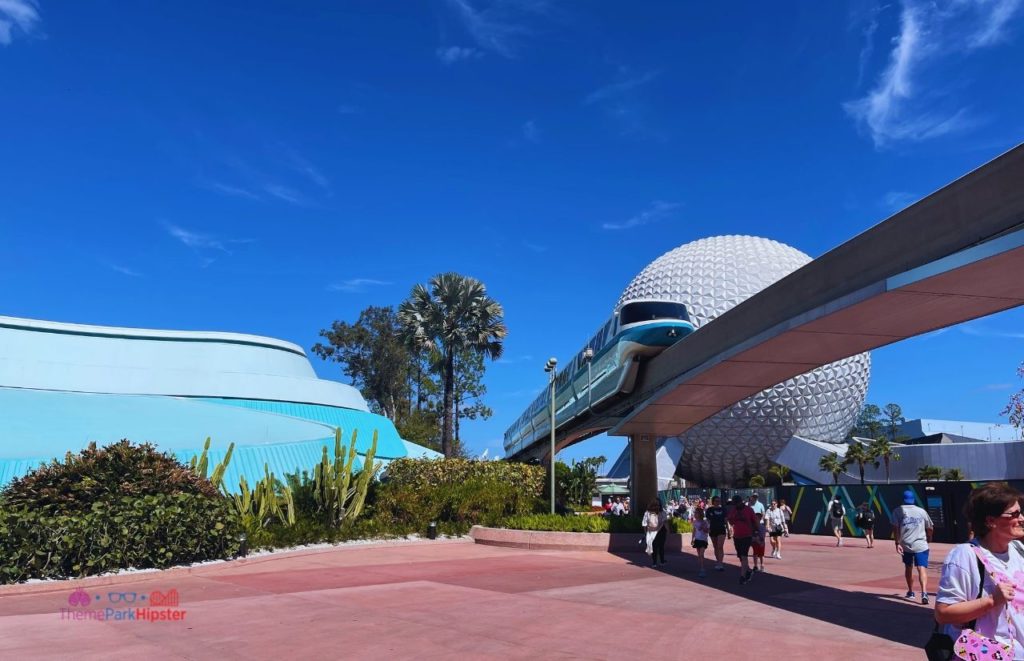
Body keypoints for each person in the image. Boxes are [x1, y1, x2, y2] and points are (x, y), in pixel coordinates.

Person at [935, 482, 1024, 657]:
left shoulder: (1018, 550)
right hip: (987, 653)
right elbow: (943, 613)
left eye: (1020, 511)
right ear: (991, 521)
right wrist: (991, 600)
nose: (1022, 518)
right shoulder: (964, 556)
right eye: (1014, 514)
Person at [891, 489, 934, 604]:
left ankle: (910, 591)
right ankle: (924, 593)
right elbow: (930, 527)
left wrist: (897, 542)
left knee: (908, 567)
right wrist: (929, 537)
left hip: (906, 545)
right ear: (913, 499)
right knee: (922, 568)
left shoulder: (897, 511)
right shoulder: (921, 511)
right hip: (921, 544)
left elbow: (895, 528)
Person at [727, 494, 757, 584]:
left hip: (747, 536)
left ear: (740, 502)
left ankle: (742, 576)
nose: (735, 505)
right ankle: (748, 570)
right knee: (741, 556)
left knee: (744, 556)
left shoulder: (749, 510)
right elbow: (730, 520)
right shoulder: (733, 510)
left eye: (736, 503)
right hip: (737, 536)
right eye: (734, 504)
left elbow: (756, 522)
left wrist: (758, 533)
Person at [642, 499, 670, 567]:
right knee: (661, 546)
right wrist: (668, 530)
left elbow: (644, 524)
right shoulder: (662, 512)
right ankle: (662, 561)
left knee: (654, 547)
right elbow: (665, 523)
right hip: (661, 531)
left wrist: (646, 533)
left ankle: (654, 563)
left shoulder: (647, 513)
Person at [705, 495, 730, 572]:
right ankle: (718, 561)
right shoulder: (709, 510)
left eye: (719, 501)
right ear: (713, 502)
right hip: (713, 529)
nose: (718, 502)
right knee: (715, 547)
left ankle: (720, 564)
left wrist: (728, 530)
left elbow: (726, 520)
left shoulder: (723, 509)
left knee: (720, 546)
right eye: (716, 501)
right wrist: (707, 529)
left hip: (721, 529)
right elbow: (708, 521)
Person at [691, 507, 710, 578]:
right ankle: (702, 566)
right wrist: (692, 539)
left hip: (703, 540)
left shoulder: (704, 522)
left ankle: (702, 569)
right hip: (697, 539)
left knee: (701, 554)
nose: (695, 514)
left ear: (700, 514)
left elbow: (707, 531)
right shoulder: (695, 522)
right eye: (695, 513)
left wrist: (704, 528)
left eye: (697, 513)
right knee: (699, 555)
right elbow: (694, 531)